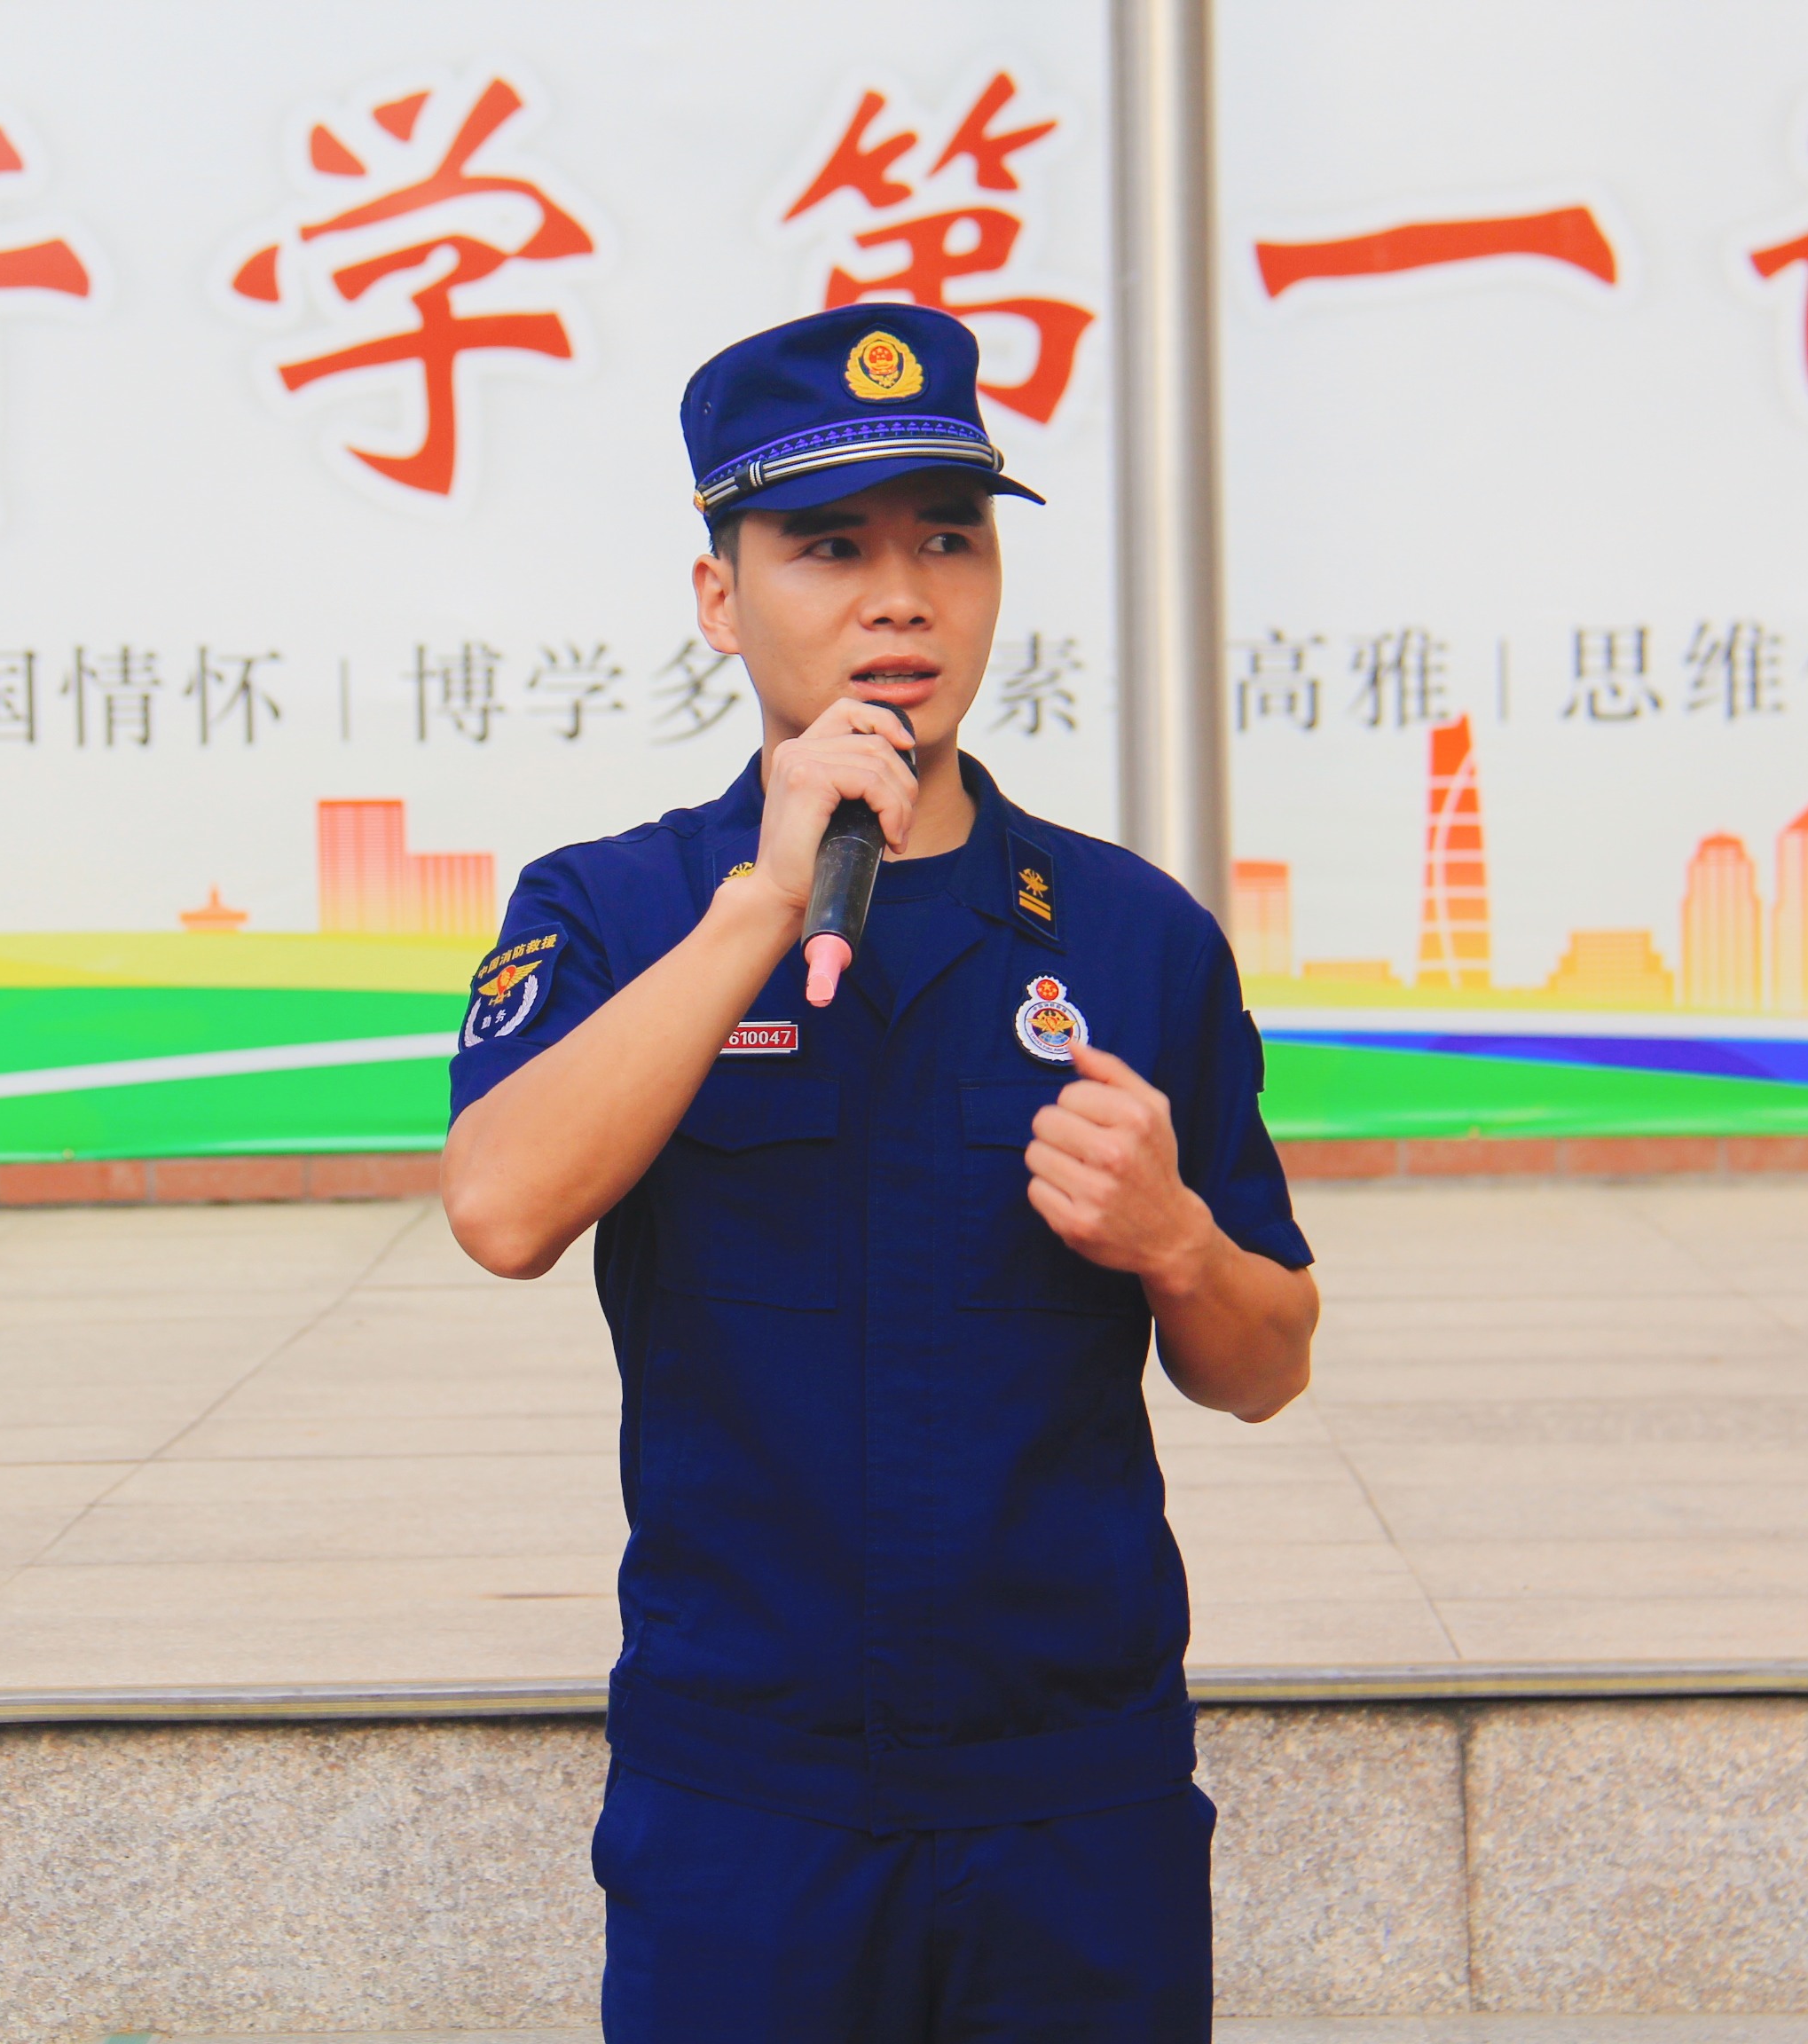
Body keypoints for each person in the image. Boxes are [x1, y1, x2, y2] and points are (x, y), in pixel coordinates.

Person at [440, 304, 1319, 2042]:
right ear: (721, 598)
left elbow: (1266, 1362)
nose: (900, 598)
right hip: (746, 1798)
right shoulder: (615, 908)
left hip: (1074, 1796)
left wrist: (1175, 1241)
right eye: (831, 547)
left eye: (949, 541)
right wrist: (763, 902)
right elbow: (503, 1207)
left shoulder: (1131, 935)